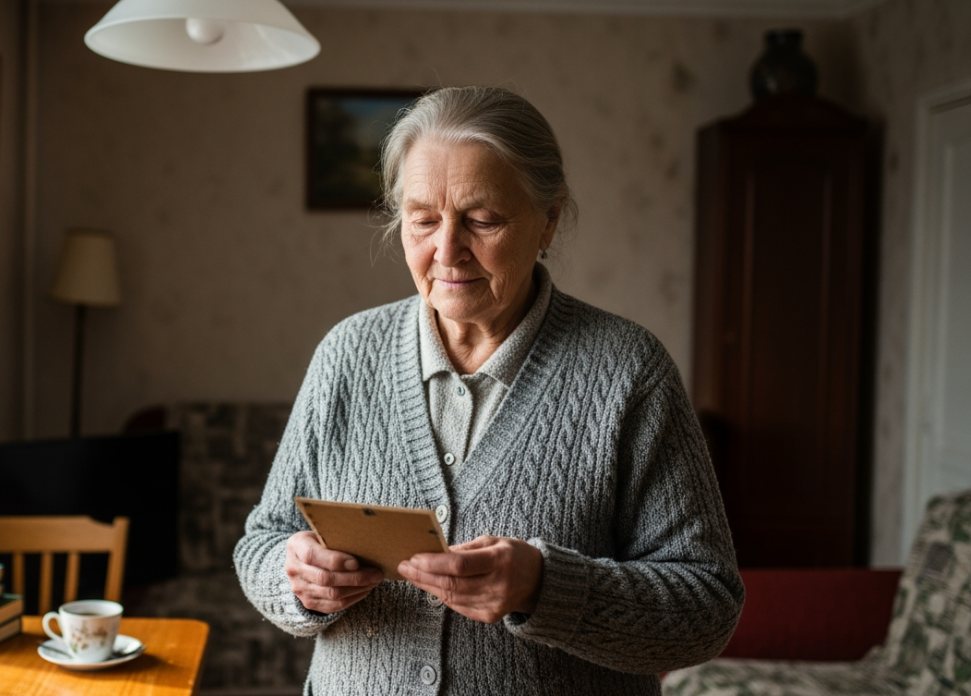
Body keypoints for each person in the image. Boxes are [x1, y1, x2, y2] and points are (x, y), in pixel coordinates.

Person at [233, 85, 743, 695]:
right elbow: (260, 542)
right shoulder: (347, 354)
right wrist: (293, 578)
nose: (447, 251)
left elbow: (706, 609)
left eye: (482, 220)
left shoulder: (628, 371)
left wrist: (545, 589)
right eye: (422, 220)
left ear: (548, 219)